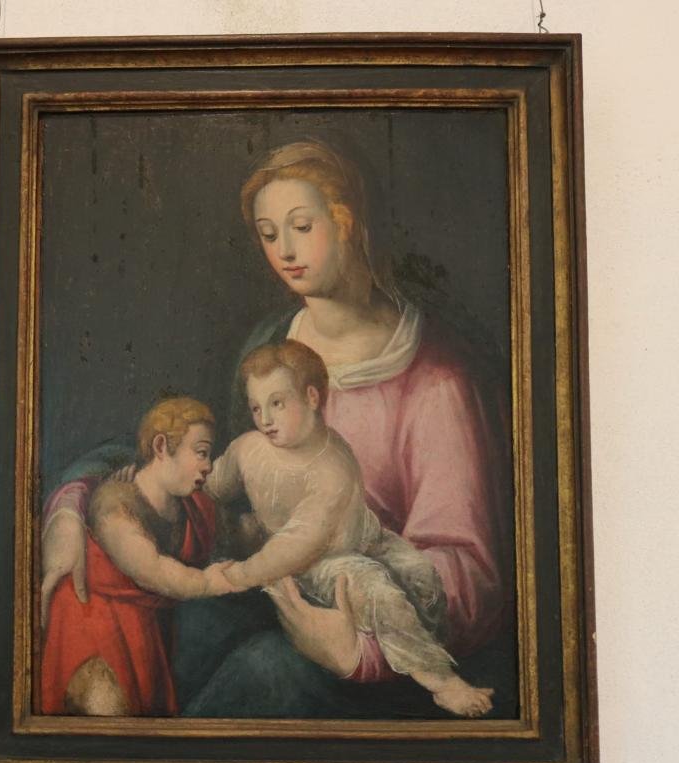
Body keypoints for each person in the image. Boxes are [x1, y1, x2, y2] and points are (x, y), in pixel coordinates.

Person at [41, 139, 510, 718]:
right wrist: (71, 508)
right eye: (268, 234)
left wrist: (356, 652)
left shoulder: (438, 381)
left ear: (347, 222)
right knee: (170, 623)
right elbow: (192, 464)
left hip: (368, 628)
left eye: (302, 226)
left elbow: (469, 576)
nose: (284, 250)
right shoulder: (270, 345)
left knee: (265, 672)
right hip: (266, 585)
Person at [207, 338, 493, 717]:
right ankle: (441, 682)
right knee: (379, 593)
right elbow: (219, 488)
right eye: (256, 407)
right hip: (320, 561)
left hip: (358, 534)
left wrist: (243, 571)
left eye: (277, 403)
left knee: (421, 575)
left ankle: (414, 651)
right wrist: (238, 561)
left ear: (311, 397)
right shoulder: (248, 449)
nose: (265, 419)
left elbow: (312, 533)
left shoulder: (332, 463)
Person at [40, 397, 235, 717]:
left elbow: (233, 532)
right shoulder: (115, 501)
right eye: (201, 452)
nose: (208, 465)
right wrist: (207, 583)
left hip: (144, 626)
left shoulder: (192, 505)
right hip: (96, 624)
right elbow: (151, 569)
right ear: (161, 447)